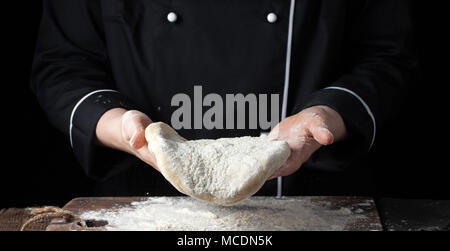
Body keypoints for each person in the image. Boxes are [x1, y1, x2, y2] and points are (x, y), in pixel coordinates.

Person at [31, 0, 417, 197]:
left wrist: (329, 113)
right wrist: (120, 124)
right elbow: (64, 62)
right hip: (141, 200)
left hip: (307, 198)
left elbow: (387, 54)